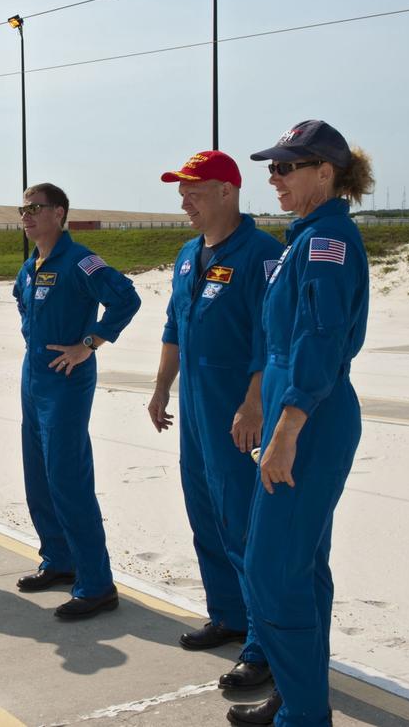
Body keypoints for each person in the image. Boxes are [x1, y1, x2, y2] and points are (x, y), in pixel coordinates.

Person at [227, 121, 373, 727]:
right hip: (302, 408)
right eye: (274, 166)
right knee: (302, 566)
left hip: (312, 417)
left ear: (325, 172)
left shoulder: (326, 242)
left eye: (287, 167)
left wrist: (285, 431)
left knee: (271, 570)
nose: (274, 176)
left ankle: (306, 715)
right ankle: (297, 692)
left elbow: (320, 339)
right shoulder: (305, 237)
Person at [149, 151, 284, 687]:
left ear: (228, 191)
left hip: (238, 414)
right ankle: (227, 615)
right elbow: (174, 328)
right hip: (196, 413)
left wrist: (253, 404)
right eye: (182, 193)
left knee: (244, 525)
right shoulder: (187, 254)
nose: (185, 202)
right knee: (205, 515)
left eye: (195, 192)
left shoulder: (263, 254)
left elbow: (270, 338)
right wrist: (161, 389)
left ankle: (262, 641)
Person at [13, 183, 141, 620]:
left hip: (67, 382)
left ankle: (97, 584)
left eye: (36, 208)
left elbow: (126, 297)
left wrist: (90, 341)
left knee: (68, 480)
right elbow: (22, 305)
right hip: (33, 380)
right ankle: (59, 559)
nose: (27, 216)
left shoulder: (81, 260)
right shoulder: (31, 266)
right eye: (23, 209)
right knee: (39, 477)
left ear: (59, 213)